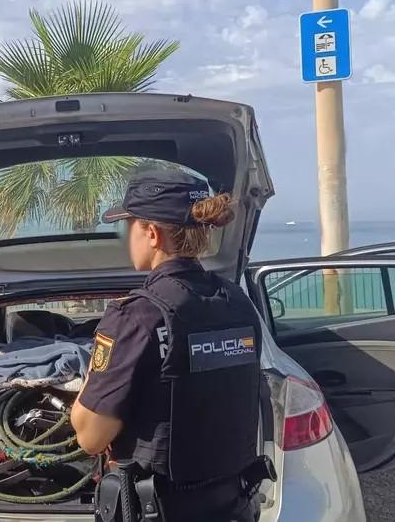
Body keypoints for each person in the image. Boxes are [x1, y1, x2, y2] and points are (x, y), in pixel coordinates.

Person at [71, 170, 269, 522]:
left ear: (151, 233)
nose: (126, 237)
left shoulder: (136, 317)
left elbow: (90, 437)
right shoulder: (238, 302)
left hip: (159, 510)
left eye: (128, 226)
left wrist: (89, 377)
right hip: (232, 505)